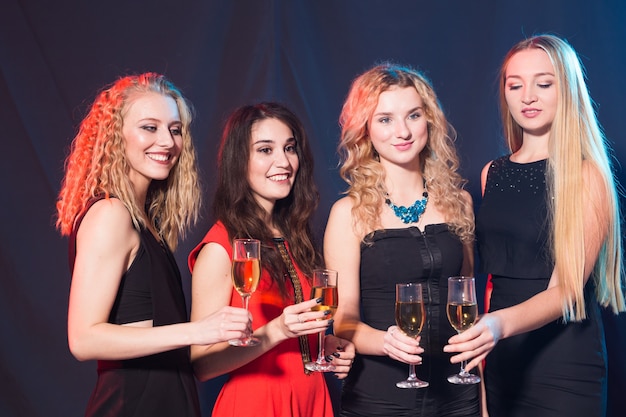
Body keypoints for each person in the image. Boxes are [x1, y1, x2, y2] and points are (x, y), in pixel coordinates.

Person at [444, 34, 626, 417]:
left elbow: (567, 290)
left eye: (544, 83)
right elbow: (492, 279)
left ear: (568, 90)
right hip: (500, 358)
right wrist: (482, 348)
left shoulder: (585, 174)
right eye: (516, 85)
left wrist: (496, 325)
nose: (528, 96)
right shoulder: (491, 173)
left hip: (564, 364)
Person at [55, 73, 251, 417]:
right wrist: (198, 330)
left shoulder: (146, 221)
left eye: (175, 130)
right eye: (150, 127)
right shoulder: (110, 214)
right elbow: (83, 339)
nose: (167, 141)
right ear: (116, 137)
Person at [323, 63, 479, 416]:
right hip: (379, 396)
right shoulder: (347, 213)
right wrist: (383, 341)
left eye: (413, 115)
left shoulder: (461, 204)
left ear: (429, 121)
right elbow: (344, 320)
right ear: (365, 130)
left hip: (457, 395)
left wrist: (482, 403)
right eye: (385, 119)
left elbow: (469, 308)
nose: (403, 131)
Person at [187, 102, 355, 416]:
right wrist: (277, 331)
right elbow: (202, 364)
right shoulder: (222, 247)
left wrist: (325, 346)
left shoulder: (296, 238)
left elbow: (299, 340)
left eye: (290, 148)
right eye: (265, 150)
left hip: (312, 400)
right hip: (257, 405)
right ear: (240, 161)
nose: (284, 161)